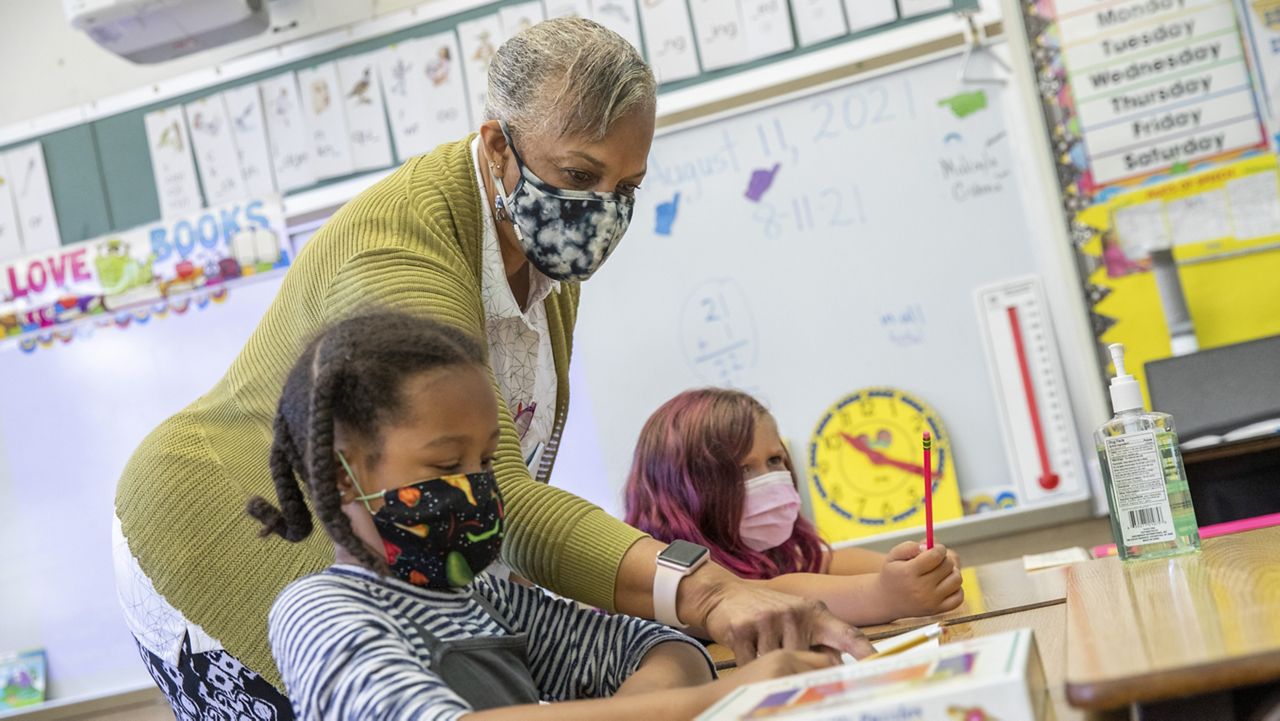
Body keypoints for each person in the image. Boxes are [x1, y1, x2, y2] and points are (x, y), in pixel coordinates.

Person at [114, 18, 871, 719]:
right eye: (578, 175)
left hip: (414, 562)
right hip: (225, 530)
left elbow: (506, 504)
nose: (601, 209)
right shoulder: (398, 251)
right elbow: (503, 497)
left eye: (626, 188)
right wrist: (706, 597)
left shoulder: (543, 250)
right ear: (499, 147)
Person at [255, 311, 832, 719]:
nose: (477, 486)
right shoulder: (318, 613)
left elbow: (662, 647)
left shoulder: (485, 598)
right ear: (340, 475)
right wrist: (708, 705)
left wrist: (643, 709)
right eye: (446, 463)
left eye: (484, 462)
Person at [624, 388, 964, 625]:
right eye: (743, 469)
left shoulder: (768, 553)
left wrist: (918, 569)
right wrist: (884, 595)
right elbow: (767, 595)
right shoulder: (669, 574)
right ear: (683, 489)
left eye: (775, 460)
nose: (771, 479)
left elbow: (821, 562)